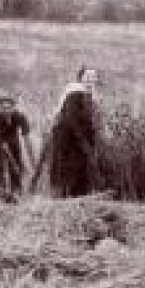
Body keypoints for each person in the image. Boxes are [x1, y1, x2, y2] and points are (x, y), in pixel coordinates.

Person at [49, 67, 100, 197]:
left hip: (78, 137)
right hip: (67, 137)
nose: (90, 80)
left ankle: (77, 198)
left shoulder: (90, 96)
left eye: (93, 77)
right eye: (87, 77)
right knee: (70, 168)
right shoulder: (75, 93)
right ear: (81, 78)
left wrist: (90, 140)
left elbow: (89, 120)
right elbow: (72, 118)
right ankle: (67, 199)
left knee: (80, 168)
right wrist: (83, 141)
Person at [0, 93, 35, 195]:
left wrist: (32, 162)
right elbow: (1, 142)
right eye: (4, 108)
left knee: (16, 162)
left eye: (9, 108)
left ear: (14, 107)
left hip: (11, 136)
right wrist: (9, 156)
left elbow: (26, 139)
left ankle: (16, 190)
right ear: (0, 108)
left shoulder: (20, 117)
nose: (7, 111)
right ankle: (0, 190)